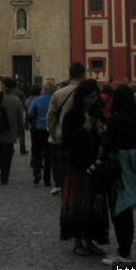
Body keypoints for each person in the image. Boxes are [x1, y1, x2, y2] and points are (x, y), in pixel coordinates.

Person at [59, 78, 109, 257]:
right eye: (89, 97)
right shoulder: (72, 115)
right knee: (77, 205)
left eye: (94, 97)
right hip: (77, 166)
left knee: (93, 206)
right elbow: (66, 141)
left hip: (94, 165)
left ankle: (90, 241)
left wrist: (101, 132)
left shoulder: (98, 113)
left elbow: (103, 141)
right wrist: (84, 130)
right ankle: (78, 242)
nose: (92, 100)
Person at [101, 84, 136, 265]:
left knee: (118, 209)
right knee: (127, 209)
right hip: (131, 164)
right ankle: (126, 249)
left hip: (118, 165)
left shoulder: (115, 119)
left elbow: (108, 145)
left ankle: (123, 252)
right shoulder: (134, 117)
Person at [47, 62, 87, 196]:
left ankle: (64, 189)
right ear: (84, 74)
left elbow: (51, 118)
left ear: (69, 75)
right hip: (83, 138)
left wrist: (55, 135)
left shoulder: (58, 94)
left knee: (63, 166)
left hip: (62, 137)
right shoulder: (89, 92)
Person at [0, 76, 23, 184]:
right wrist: (18, 131)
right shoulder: (17, 101)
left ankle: (2, 170)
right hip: (10, 132)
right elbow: (20, 119)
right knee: (8, 154)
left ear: (4, 85)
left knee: (0, 153)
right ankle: (5, 174)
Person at [26, 80, 55, 186]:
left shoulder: (37, 99)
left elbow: (30, 112)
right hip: (49, 129)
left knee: (37, 151)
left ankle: (37, 173)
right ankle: (47, 178)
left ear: (45, 88)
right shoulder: (54, 99)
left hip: (37, 128)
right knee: (48, 154)